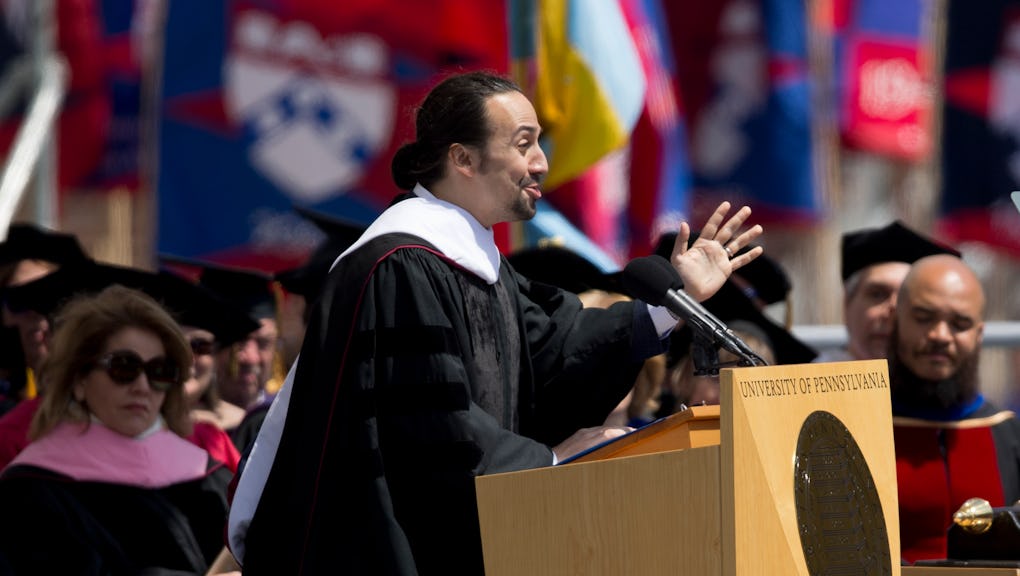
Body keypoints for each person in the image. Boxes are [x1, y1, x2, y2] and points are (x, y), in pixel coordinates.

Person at [228, 70, 763, 575]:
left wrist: (674, 300)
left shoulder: (475, 264)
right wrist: (549, 458)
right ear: (463, 157)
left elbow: (557, 351)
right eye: (524, 143)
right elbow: (435, 433)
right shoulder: (400, 267)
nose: (541, 164)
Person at [0, 285, 234, 574]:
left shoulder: (209, 477)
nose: (142, 387)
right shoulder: (29, 491)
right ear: (79, 380)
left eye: (159, 372)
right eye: (124, 368)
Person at [888, 254, 1020, 563]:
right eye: (923, 317)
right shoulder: (858, 428)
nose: (940, 336)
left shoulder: (1007, 433)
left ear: (979, 334)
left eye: (960, 324)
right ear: (894, 319)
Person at [815, 221, 960, 363]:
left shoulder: (944, 384)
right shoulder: (813, 382)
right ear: (847, 303)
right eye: (878, 294)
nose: (893, 311)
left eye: (907, 297)